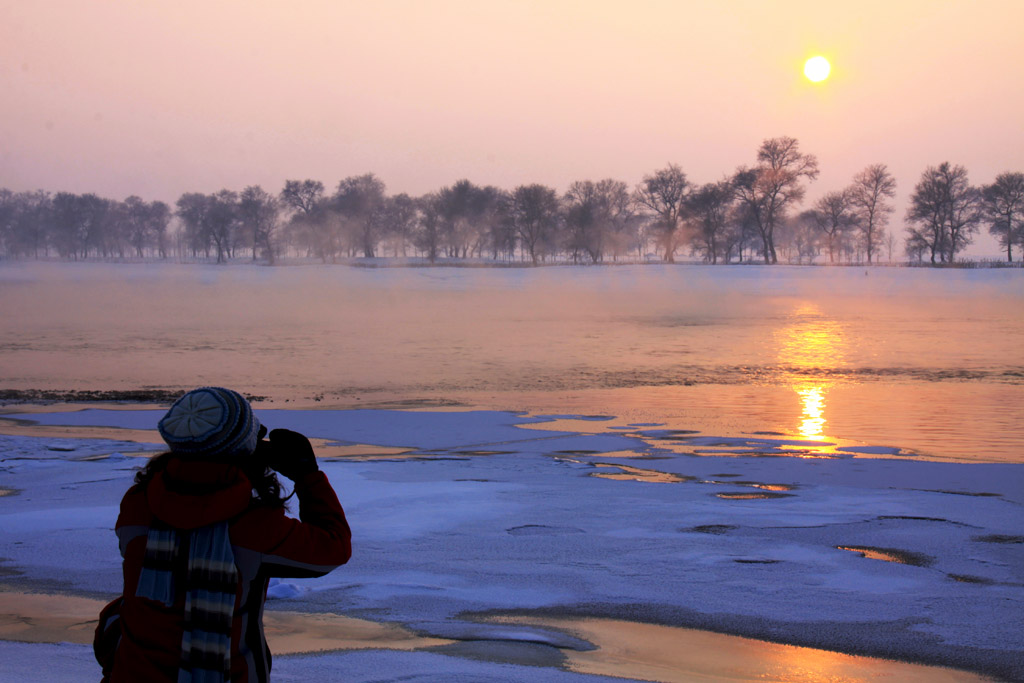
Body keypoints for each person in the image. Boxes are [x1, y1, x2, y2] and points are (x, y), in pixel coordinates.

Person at [95, 387, 351, 682]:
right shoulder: (254, 527)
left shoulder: (137, 506)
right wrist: (308, 476)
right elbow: (334, 547)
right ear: (245, 449)